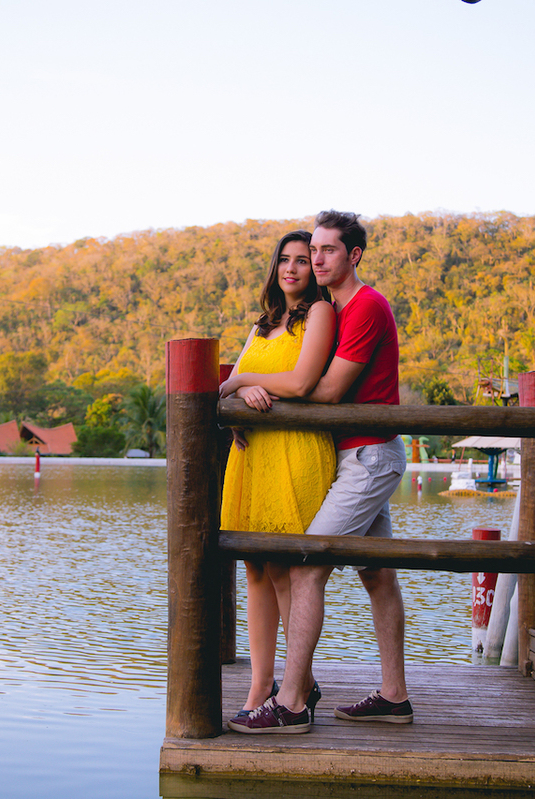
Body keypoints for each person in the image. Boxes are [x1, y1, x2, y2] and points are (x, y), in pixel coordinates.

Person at [228, 210, 409, 734]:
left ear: (352, 255)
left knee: (306, 566)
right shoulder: (339, 307)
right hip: (356, 455)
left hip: (368, 456)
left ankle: (290, 702)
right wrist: (243, 387)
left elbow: (322, 390)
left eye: (328, 250)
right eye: (316, 250)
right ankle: (394, 695)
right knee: (376, 574)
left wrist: (239, 382)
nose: (319, 258)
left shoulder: (366, 307)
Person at [218, 229, 336, 723]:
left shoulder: (321, 315)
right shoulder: (262, 325)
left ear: (314, 268)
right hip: (254, 455)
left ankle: (297, 687)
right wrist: (240, 395)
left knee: (289, 571)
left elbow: (300, 382)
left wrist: (247, 381)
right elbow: (224, 387)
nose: (292, 269)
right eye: (284, 260)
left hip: (296, 451)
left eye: (302, 261)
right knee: (256, 571)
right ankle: (259, 687)